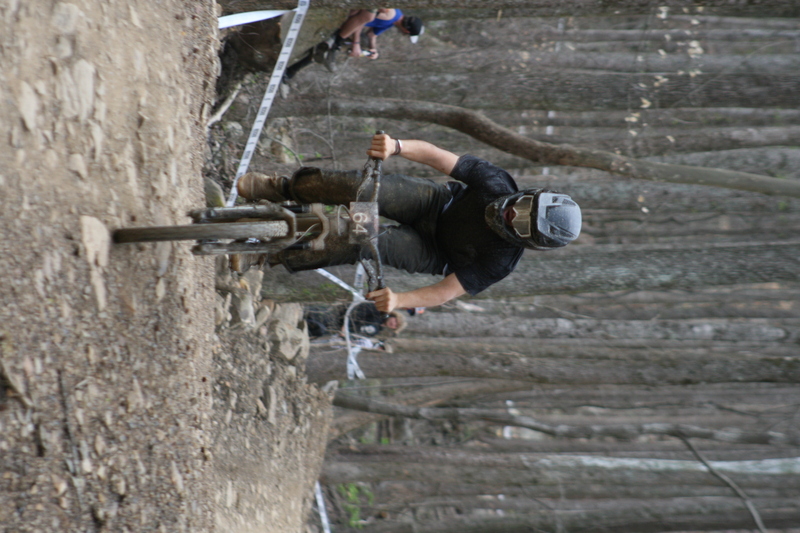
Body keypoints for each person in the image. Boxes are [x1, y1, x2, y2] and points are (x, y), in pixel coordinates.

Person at [235, 133, 582, 313]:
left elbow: (445, 292)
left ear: (526, 241)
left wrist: (399, 300)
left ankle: (268, 253)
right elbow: (438, 157)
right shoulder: (496, 183)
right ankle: (280, 188)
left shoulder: (500, 261)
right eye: (525, 206)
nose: (513, 214)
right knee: (362, 190)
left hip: (432, 252)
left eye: (522, 225)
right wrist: (396, 146)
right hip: (436, 204)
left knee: (360, 238)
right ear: (531, 194)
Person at [284, 9, 423, 80]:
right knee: (329, 49)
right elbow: (360, 20)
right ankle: (332, 45)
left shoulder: (392, 21)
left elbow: (372, 35)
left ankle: (291, 71)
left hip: (348, 28)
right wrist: (356, 43)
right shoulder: (390, 14)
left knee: (327, 52)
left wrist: (373, 49)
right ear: (407, 30)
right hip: (346, 22)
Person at [304, 301, 407, 339]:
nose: (393, 324)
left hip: (334, 329)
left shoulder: (375, 332)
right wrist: (346, 325)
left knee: (311, 332)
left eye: (395, 326)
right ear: (394, 316)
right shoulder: (377, 310)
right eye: (395, 321)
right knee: (309, 317)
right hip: (336, 316)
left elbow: (358, 336)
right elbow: (357, 309)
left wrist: (346, 336)